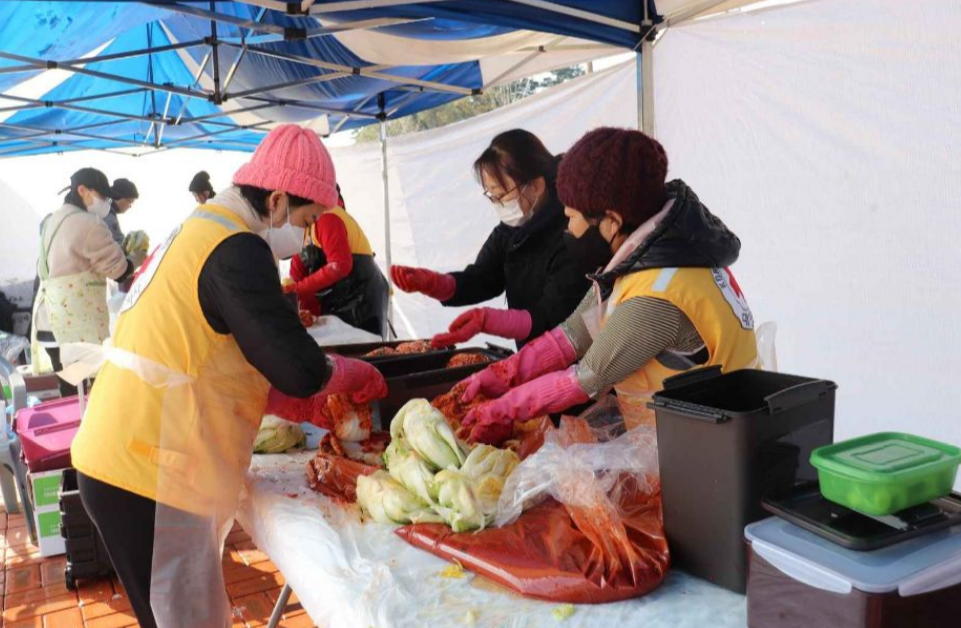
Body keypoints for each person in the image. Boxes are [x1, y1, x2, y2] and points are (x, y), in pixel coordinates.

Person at [70, 125, 387, 628]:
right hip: (141, 470)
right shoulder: (235, 247)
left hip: (127, 454)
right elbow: (299, 366)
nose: (303, 234)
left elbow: (213, 352)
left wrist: (289, 404)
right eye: (305, 218)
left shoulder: (203, 227)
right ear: (277, 200)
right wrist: (349, 373)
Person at [458, 127, 759, 444]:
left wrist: (504, 408)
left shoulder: (657, 293)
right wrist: (504, 374)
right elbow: (573, 334)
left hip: (711, 449)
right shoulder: (643, 255)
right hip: (676, 435)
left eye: (572, 217)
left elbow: (586, 378)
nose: (568, 229)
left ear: (612, 221)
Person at [390, 129, 603, 349]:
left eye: (501, 194)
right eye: (491, 196)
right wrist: (437, 284)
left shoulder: (571, 232)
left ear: (536, 186)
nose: (498, 203)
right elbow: (483, 277)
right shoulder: (511, 230)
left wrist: (490, 321)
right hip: (530, 352)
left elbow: (553, 317)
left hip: (573, 357)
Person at [31, 168, 135, 397]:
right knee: (98, 394)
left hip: (50, 324)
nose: (106, 203)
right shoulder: (89, 224)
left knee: (69, 395)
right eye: (103, 196)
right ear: (82, 191)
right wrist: (132, 262)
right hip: (78, 330)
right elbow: (119, 271)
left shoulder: (51, 220)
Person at [285, 184, 390, 337]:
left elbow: (339, 265)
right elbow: (300, 288)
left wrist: (297, 289)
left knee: (362, 352)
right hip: (334, 308)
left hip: (361, 302)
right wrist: (306, 321)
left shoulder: (328, 216)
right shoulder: (301, 234)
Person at [104, 177, 139, 246]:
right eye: (130, 202)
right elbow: (118, 245)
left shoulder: (103, 210)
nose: (129, 206)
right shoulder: (108, 216)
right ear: (118, 197)